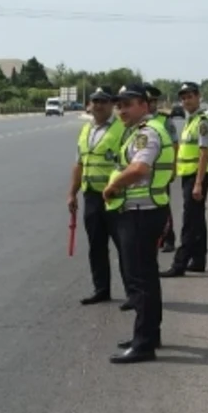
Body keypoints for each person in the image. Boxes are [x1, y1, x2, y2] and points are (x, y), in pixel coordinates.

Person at [102, 84, 175, 364]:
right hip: (145, 211)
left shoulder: (146, 134)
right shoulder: (142, 131)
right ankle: (148, 335)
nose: (121, 110)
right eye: (119, 105)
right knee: (147, 278)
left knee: (141, 280)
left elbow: (140, 168)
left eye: (128, 104)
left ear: (145, 105)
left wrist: (112, 187)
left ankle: (144, 343)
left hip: (141, 214)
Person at [68, 86, 127, 305]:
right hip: (92, 196)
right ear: (90, 104)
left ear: (112, 104)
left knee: (124, 247)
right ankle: (101, 289)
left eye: (103, 101)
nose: (98, 105)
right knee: (96, 246)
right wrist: (72, 194)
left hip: (116, 197)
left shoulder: (122, 129)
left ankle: (133, 293)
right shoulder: (86, 130)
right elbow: (79, 164)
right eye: (95, 101)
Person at [162, 82, 208, 277]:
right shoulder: (190, 121)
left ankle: (179, 264)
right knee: (198, 220)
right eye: (183, 98)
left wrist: (198, 183)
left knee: (189, 221)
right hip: (188, 176)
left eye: (190, 96)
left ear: (198, 97)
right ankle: (199, 260)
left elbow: (204, 154)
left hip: (195, 177)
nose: (186, 101)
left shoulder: (201, 122)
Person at [144, 84, 178, 254]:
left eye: (153, 101)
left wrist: (173, 169)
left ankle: (168, 238)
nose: (151, 104)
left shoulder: (165, 120)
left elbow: (174, 145)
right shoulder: (138, 121)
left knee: (163, 205)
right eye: (148, 101)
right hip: (142, 173)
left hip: (160, 173)